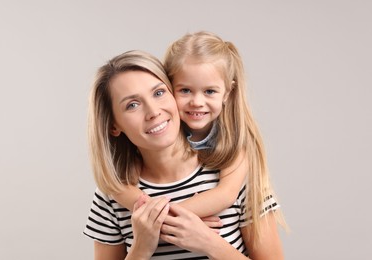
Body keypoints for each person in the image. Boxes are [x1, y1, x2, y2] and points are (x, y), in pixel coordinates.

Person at [83, 49, 284, 259]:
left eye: (159, 93)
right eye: (132, 105)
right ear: (113, 125)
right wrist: (141, 247)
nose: (153, 112)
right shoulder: (112, 196)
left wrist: (208, 242)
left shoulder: (232, 170)